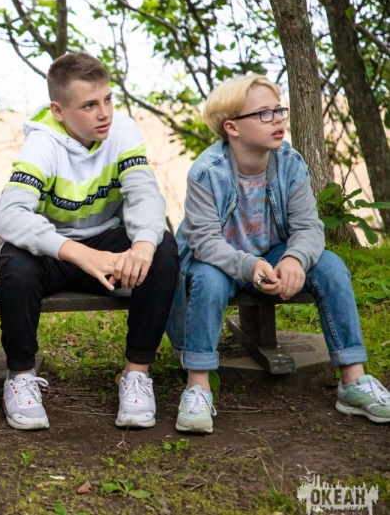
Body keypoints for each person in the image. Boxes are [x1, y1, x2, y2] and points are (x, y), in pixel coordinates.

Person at [166, 74, 389, 433]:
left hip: (272, 256)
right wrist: (248, 264)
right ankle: (198, 386)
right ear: (232, 127)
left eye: (279, 110)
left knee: (331, 266)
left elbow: (309, 227)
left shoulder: (290, 162)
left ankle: (353, 380)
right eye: (264, 114)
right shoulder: (206, 173)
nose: (278, 120)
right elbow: (204, 241)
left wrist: (293, 259)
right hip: (217, 261)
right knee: (208, 280)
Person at [0, 52, 178, 431]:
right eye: (89, 105)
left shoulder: (122, 131)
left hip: (107, 247)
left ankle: (137, 375)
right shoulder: (42, 144)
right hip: (56, 253)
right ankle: (21, 376)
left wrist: (142, 245)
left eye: (108, 99)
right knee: (15, 262)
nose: (104, 113)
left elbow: (144, 194)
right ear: (58, 111)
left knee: (161, 247)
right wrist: (78, 253)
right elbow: (9, 215)